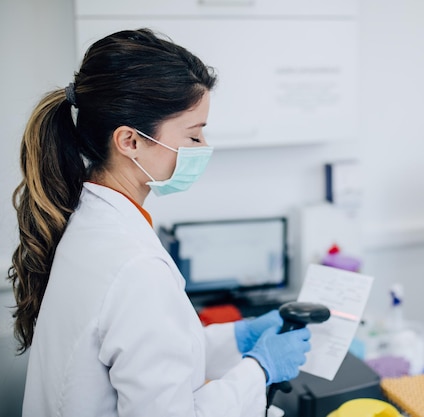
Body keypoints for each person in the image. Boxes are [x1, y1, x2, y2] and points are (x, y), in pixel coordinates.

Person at [8, 28, 311, 417]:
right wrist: (261, 369)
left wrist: (236, 338)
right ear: (129, 141)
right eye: (194, 135)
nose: (203, 149)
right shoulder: (135, 266)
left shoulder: (92, 222)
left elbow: (145, 353)